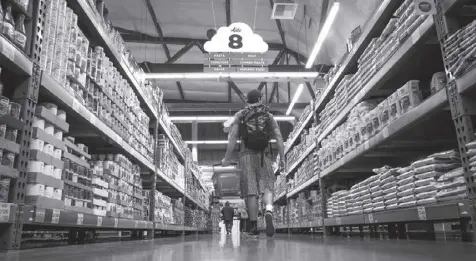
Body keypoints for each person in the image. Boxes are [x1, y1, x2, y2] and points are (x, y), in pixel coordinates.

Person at [222, 89, 285, 237]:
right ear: (260, 99)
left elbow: (232, 136)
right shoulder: (268, 116)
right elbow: (279, 137)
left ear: (247, 100)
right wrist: (282, 158)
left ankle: (253, 226)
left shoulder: (240, 115)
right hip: (265, 155)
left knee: (251, 191)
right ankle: (268, 209)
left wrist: (227, 158)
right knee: (267, 186)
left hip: (246, 155)